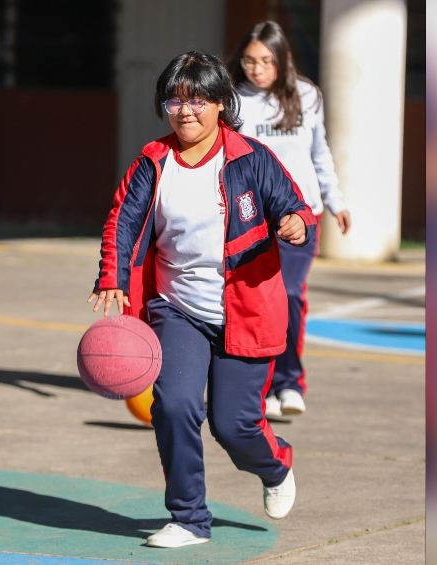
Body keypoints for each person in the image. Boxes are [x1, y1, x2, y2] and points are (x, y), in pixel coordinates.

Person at [87, 50, 317, 549]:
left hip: (246, 309)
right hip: (178, 308)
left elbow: (294, 206)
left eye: (198, 100)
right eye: (174, 100)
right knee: (173, 406)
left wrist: (296, 224)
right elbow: (121, 220)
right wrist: (112, 276)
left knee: (234, 427)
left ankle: (275, 466)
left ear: (220, 104)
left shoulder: (251, 159)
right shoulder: (153, 161)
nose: (184, 111)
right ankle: (189, 518)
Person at [228, 21, 352, 418]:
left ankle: (289, 383)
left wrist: (334, 199)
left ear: (283, 60)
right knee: (256, 301)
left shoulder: (307, 95)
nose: (256, 69)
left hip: (302, 214)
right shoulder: (233, 100)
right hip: (253, 218)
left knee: (291, 293)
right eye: (249, 61)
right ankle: (260, 387)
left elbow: (320, 152)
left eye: (265, 61)